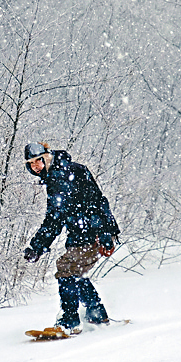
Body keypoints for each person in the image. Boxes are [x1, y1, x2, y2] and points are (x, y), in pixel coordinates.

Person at [22, 142, 120, 333]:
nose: (35, 166)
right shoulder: (55, 177)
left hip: (93, 231)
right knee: (75, 271)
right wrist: (37, 246)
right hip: (79, 233)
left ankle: (70, 320)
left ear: (46, 158)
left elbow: (97, 201)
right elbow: (55, 219)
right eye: (31, 163)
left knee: (66, 268)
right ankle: (96, 312)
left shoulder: (66, 173)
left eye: (38, 161)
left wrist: (105, 233)